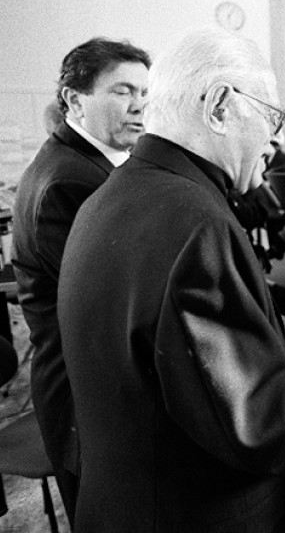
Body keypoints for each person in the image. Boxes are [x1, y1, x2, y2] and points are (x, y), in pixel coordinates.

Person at [57, 27, 285, 532]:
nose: (274, 137)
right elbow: (261, 429)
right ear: (219, 106)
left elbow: (188, 363)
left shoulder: (109, 197)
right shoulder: (196, 222)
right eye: (271, 116)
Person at [12, 36, 151, 525]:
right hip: (86, 407)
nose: (140, 106)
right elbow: (113, 310)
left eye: (143, 93)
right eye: (122, 92)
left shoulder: (81, 165)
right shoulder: (70, 181)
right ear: (74, 99)